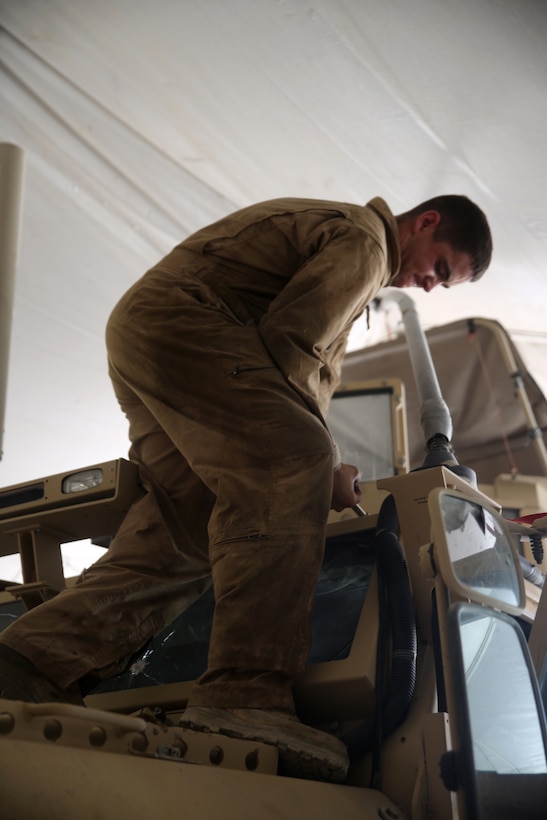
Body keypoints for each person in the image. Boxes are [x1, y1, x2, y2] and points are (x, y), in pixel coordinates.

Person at [0, 193, 492, 781]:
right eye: (440, 268)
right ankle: (245, 694)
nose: (431, 287)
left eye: (445, 284)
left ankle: (25, 661)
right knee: (296, 460)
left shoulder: (352, 242)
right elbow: (291, 343)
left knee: (183, 529)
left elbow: (281, 360)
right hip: (190, 327)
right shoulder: (364, 241)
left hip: (153, 335)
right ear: (426, 223)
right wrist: (321, 465)